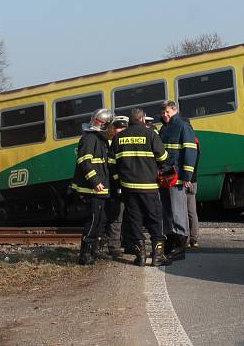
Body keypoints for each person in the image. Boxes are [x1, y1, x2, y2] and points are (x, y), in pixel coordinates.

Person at [112, 108, 170, 266]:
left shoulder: (119, 137)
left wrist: (119, 181)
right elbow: (163, 157)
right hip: (149, 186)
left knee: (135, 220)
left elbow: (112, 165)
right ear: (143, 119)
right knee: (155, 219)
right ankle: (158, 256)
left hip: (128, 188)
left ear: (129, 120)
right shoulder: (150, 134)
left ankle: (141, 257)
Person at [70, 108, 113, 265]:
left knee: (100, 221)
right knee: (94, 220)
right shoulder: (89, 139)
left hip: (100, 189)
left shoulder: (99, 139)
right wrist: (95, 181)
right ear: (104, 125)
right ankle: (85, 254)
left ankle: (93, 250)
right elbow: (84, 162)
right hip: (92, 189)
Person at [158, 100, 197, 261]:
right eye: (163, 113)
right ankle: (170, 242)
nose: (164, 115)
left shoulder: (183, 126)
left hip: (177, 178)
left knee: (178, 212)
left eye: (167, 112)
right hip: (165, 176)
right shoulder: (164, 128)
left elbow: (190, 151)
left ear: (174, 110)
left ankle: (180, 246)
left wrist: (187, 176)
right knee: (167, 212)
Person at [101, 115, 129, 257]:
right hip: (113, 185)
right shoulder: (105, 143)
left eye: (123, 128)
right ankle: (114, 246)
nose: (120, 131)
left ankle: (126, 243)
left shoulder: (124, 141)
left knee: (128, 216)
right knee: (116, 216)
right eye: (118, 128)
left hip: (127, 184)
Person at [186, 133, 200, 248]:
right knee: (191, 212)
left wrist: (187, 178)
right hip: (193, 180)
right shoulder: (195, 141)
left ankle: (186, 238)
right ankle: (194, 239)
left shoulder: (188, 141)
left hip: (187, 180)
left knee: (184, 211)